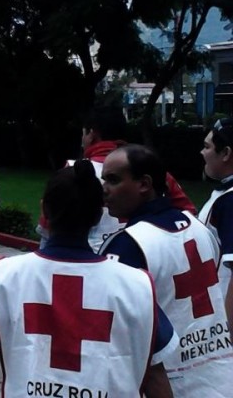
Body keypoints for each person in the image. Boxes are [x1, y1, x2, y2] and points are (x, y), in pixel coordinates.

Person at [0, 160, 176, 397]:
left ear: (44, 211)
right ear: (97, 216)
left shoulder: (6, 274)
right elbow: (156, 374)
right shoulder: (137, 284)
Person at [100, 145, 232, 395]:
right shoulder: (198, 227)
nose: (104, 189)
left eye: (113, 180)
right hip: (220, 376)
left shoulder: (129, 245)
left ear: (144, 184)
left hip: (171, 384)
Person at [38, 107, 195, 250]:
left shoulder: (73, 171)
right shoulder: (153, 171)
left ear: (91, 134)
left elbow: (50, 228)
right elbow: (189, 218)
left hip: (91, 264)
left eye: (83, 133)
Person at [199, 118, 233, 334]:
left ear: (226, 153)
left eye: (207, 146)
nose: (202, 153)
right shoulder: (225, 195)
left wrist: (228, 332)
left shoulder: (229, 201)